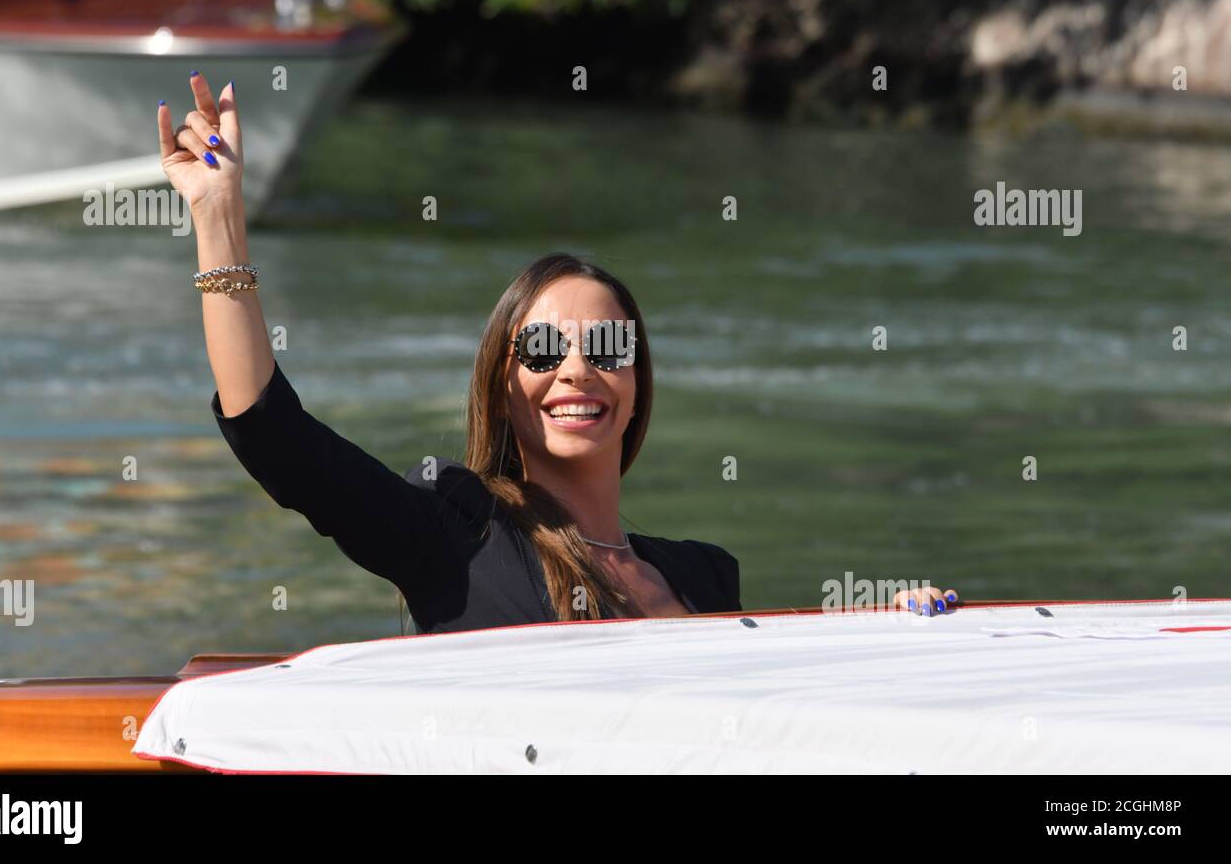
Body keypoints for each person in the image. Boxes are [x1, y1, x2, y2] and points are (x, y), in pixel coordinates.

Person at [156, 71, 957, 634]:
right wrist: (220, 218)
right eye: (542, 350)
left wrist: (888, 636)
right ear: (503, 386)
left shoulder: (705, 575)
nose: (577, 369)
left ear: (638, 384)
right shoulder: (453, 530)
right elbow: (276, 438)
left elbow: (767, 710)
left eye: (607, 346)